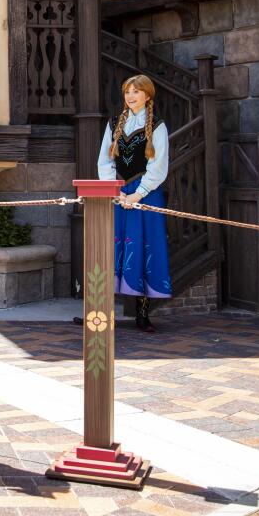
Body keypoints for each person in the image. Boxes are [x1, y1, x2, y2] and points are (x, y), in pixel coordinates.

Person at [98, 74, 171, 332]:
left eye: (136, 92)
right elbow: (104, 162)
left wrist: (137, 194)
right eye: (128, 92)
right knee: (112, 249)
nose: (131, 96)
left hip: (146, 195)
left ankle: (142, 314)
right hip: (119, 195)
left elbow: (158, 166)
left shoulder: (158, 126)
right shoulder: (114, 123)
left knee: (144, 248)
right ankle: (101, 313)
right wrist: (115, 192)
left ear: (147, 95)